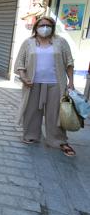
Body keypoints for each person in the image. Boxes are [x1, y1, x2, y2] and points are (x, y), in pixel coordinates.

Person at [14, 16, 76, 156]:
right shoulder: (28, 43)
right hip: (32, 84)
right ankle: (30, 135)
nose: (45, 28)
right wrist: (23, 78)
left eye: (48, 25)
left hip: (56, 84)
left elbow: (69, 63)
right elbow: (20, 63)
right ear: (36, 27)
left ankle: (58, 140)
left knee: (55, 114)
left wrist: (71, 82)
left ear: (53, 27)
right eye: (42, 25)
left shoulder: (61, 42)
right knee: (31, 111)